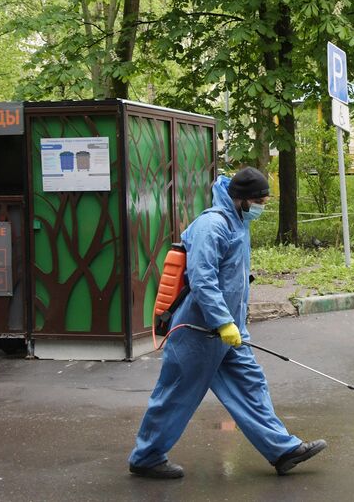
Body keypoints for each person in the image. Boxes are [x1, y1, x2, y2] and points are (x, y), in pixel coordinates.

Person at [128, 166, 326, 479]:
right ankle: (146, 457)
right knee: (177, 394)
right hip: (198, 331)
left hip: (229, 332)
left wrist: (233, 325)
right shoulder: (212, 224)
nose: (262, 206)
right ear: (243, 199)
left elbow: (232, 279)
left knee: (251, 386)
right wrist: (222, 322)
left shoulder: (238, 221)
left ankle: (282, 450)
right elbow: (203, 280)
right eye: (260, 200)